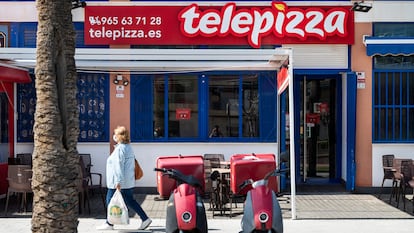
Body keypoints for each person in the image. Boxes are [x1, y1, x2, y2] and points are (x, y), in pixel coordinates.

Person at [97, 126, 152, 230]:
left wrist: (118, 181)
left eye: (115, 134)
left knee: (110, 200)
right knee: (131, 201)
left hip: (117, 182)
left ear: (119, 136)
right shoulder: (128, 147)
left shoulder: (120, 149)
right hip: (128, 182)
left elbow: (118, 165)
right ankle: (145, 219)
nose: (114, 136)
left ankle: (109, 223)